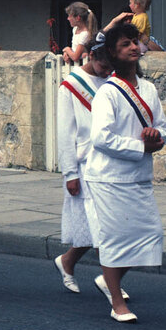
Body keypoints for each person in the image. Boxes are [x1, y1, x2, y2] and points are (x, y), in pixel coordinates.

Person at [84, 23, 166, 323]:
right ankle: (117, 302)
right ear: (113, 53)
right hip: (108, 177)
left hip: (138, 176)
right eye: (125, 45)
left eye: (135, 42)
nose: (133, 47)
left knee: (149, 234)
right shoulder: (108, 92)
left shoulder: (149, 89)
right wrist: (139, 146)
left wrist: (156, 139)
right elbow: (101, 138)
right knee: (114, 239)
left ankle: (108, 279)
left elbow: (164, 128)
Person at [52, 37, 117, 294]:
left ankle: (66, 261)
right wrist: (69, 172)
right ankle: (112, 282)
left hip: (111, 162)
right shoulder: (71, 85)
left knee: (100, 226)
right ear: (90, 56)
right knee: (101, 225)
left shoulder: (113, 81)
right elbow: (66, 132)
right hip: (85, 165)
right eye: (103, 64)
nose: (107, 70)